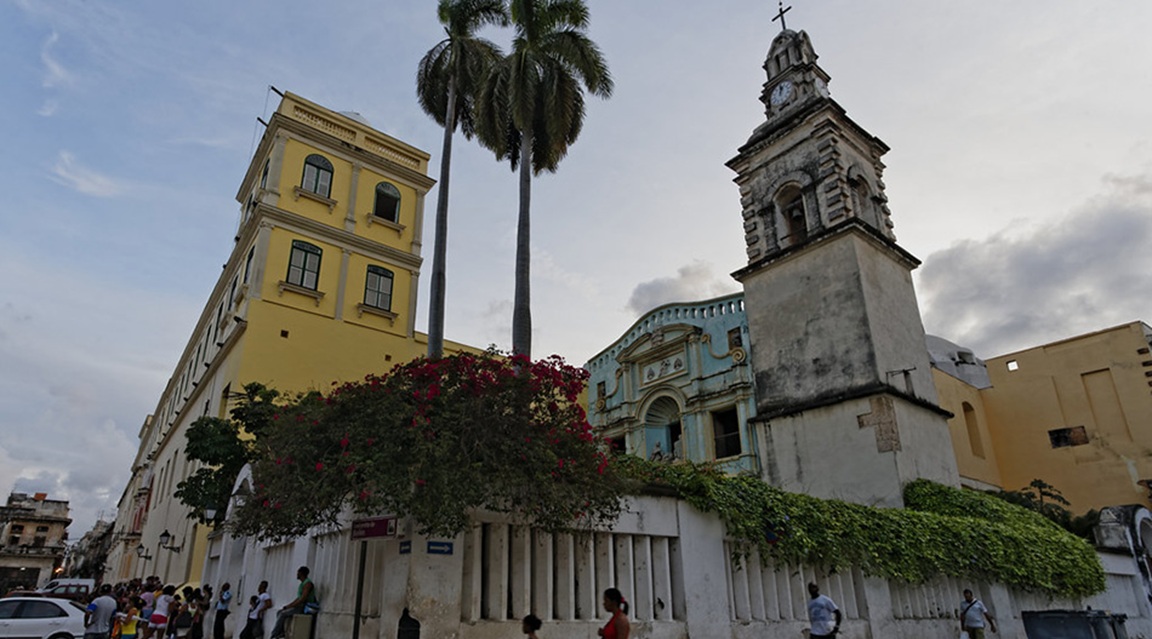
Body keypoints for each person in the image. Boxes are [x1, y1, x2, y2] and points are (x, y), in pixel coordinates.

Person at [269, 567, 318, 639]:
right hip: (300, 605)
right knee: (280, 612)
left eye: (298, 572)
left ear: (301, 573)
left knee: (283, 614)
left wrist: (291, 606)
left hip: (304, 607)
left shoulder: (308, 584)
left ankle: (274, 635)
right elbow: (298, 598)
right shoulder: (302, 584)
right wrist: (288, 606)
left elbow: (302, 599)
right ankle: (281, 632)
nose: (297, 574)